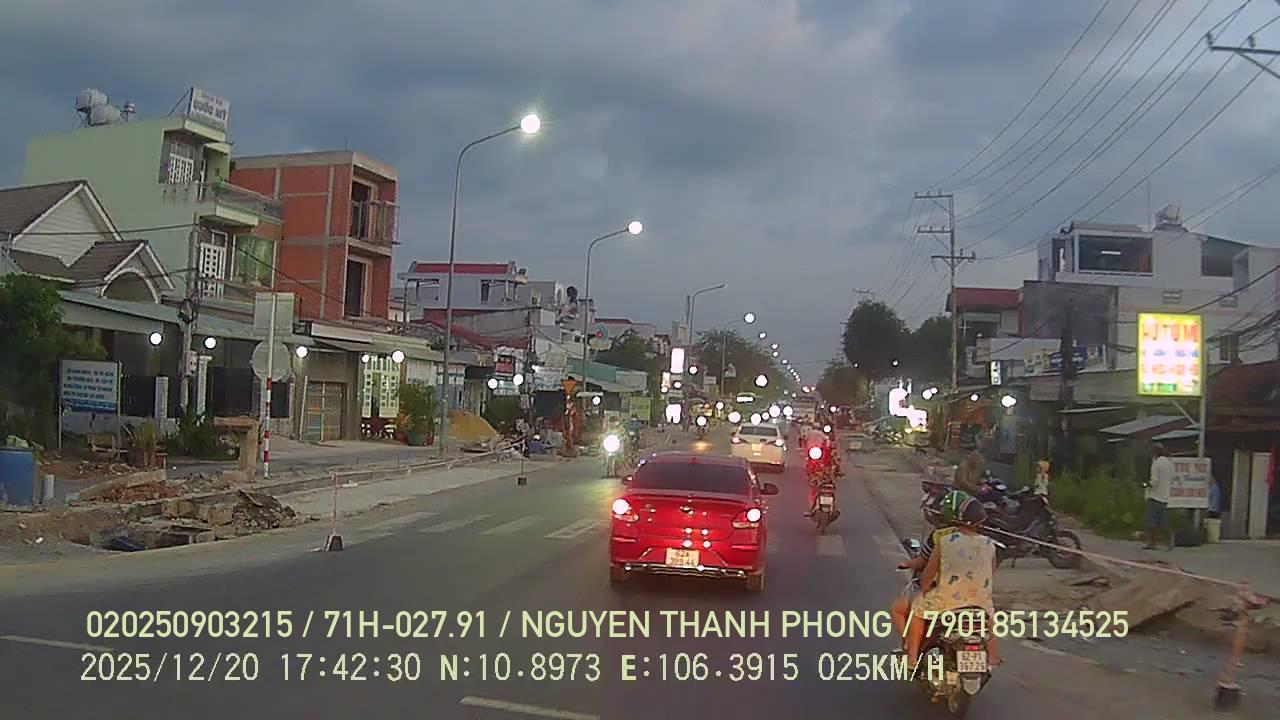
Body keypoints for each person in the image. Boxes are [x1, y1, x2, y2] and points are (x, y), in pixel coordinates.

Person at [892, 490, 1001, 668]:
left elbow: (928, 573)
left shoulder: (944, 541)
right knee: (990, 621)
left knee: (916, 612)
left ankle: (912, 658)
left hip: (948, 602)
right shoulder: (990, 544)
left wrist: (923, 591)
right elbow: (991, 572)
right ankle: (993, 658)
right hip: (979, 602)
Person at [1145, 443, 1176, 550]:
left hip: (1154, 496)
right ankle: (1170, 541)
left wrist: (1146, 485)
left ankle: (1152, 543)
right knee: (1164, 522)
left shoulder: (1156, 464)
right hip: (1165, 496)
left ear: (1154, 452)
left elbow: (1154, 481)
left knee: (1151, 522)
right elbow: (1172, 478)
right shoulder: (1169, 463)